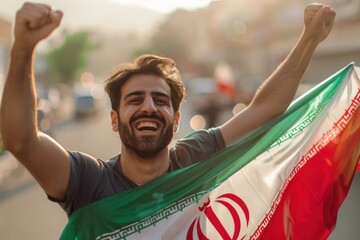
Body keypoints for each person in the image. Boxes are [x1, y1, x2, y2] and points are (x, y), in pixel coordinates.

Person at [0, 2, 335, 219]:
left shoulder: (195, 158)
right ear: (114, 119)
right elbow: (21, 140)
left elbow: (266, 107)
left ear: (176, 120)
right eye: (134, 100)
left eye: (161, 101)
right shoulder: (89, 182)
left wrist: (308, 40)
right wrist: (23, 51)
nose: (148, 107)